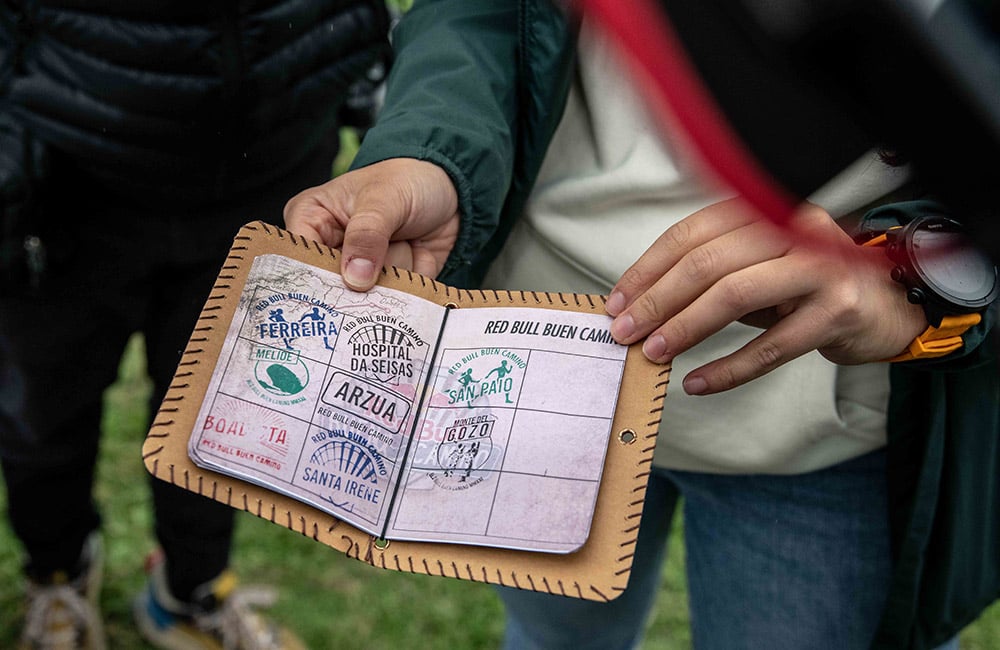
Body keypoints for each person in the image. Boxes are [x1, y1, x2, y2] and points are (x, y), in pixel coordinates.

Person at [284, 1, 1000, 648]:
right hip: (537, 356)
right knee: (551, 636)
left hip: (828, 408)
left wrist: (914, 275)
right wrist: (435, 152)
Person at [0, 2, 390, 648]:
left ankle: (192, 590)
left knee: (222, 416)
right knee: (43, 418)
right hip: (66, 177)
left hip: (265, 173)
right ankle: (59, 574)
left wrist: (355, 63)